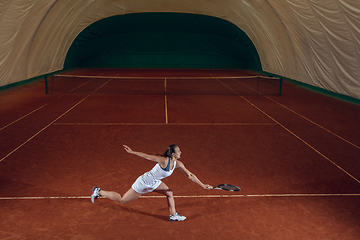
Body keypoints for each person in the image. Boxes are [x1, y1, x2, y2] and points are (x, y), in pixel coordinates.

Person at [91, 144, 213, 221]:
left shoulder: (178, 164)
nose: (181, 152)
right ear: (173, 154)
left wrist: (202, 184)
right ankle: (99, 191)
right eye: (179, 151)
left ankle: (173, 215)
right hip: (144, 182)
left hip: (155, 182)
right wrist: (132, 152)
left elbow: (190, 175)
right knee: (123, 200)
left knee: (169, 193)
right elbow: (147, 156)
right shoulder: (164, 161)